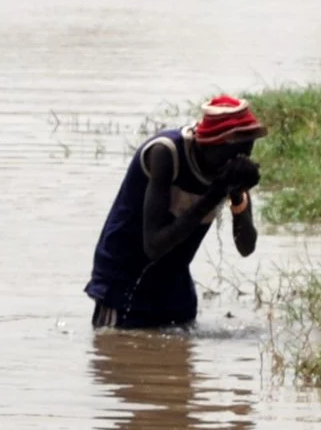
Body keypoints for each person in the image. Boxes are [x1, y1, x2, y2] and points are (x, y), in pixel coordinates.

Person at [85, 94, 263, 330]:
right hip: (124, 282)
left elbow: (246, 247)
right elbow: (154, 245)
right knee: (118, 347)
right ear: (210, 145)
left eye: (246, 152)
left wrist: (237, 193)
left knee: (178, 351)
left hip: (175, 285)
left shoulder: (229, 169)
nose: (240, 160)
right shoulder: (166, 154)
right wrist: (215, 194)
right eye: (234, 154)